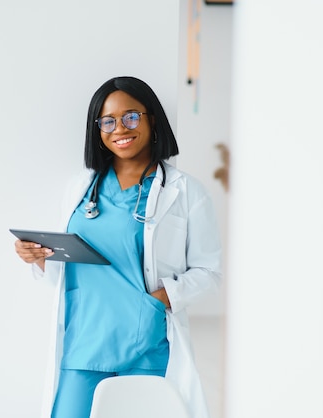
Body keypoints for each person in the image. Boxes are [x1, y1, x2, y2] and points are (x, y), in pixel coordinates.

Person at [14, 76, 221, 418]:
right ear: (97, 129)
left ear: (151, 118)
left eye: (131, 116)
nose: (119, 128)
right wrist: (38, 258)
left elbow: (210, 273)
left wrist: (157, 302)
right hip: (84, 343)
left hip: (147, 345)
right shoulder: (80, 187)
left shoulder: (186, 192)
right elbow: (68, 273)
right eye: (107, 121)